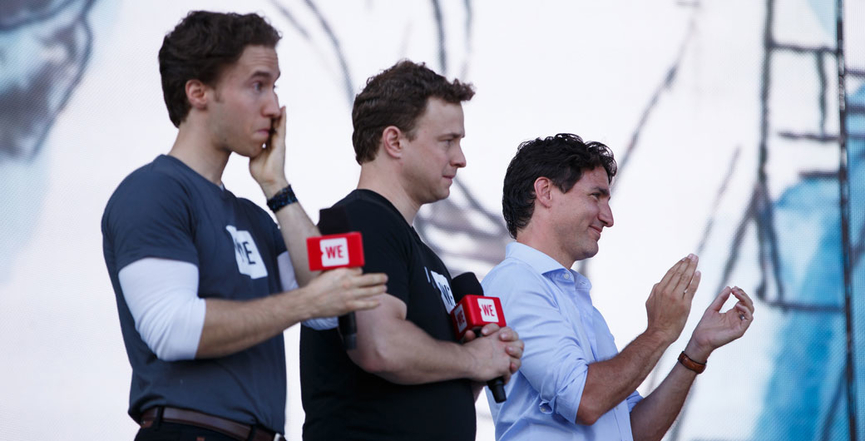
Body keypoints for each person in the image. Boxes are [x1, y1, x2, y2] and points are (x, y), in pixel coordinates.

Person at [101, 11, 387, 441]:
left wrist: (277, 186)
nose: (274, 106)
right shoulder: (152, 191)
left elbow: (328, 306)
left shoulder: (254, 216)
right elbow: (172, 329)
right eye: (257, 85)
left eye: (274, 86)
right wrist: (307, 303)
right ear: (198, 92)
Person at [299, 60, 525, 441]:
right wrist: (472, 358)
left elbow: (431, 389)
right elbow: (379, 346)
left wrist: (487, 360)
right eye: (447, 141)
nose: (460, 158)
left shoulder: (423, 254)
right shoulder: (359, 221)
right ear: (395, 141)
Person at [483, 133, 755, 441]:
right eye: (595, 196)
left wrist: (696, 350)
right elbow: (584, 401)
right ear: (545, 192)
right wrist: (659, 332)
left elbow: (635, 432)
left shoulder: (576, 301)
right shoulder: (515, 281)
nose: (608, 218)